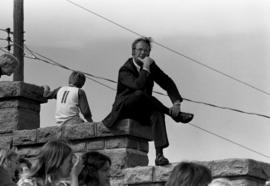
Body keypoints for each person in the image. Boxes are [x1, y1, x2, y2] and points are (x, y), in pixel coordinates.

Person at [103, 37, 193, 166]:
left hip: (142, 108)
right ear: (133, 52)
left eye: (146, 51)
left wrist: (176, 103)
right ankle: (171, 114)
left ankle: (159, 155)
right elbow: (138, 85)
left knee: (156, 112)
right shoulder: (125, 69)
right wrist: (145, 67)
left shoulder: (150, 66)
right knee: (139, 94)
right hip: (125, 109)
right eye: (140, 50)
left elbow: (166, 82)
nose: (143, 53)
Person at [17, 139, 83, 186]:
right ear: (58, 162)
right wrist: (74, 176)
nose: (72, 165)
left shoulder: (61, 184)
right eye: (69, 161)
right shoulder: (27, 183)